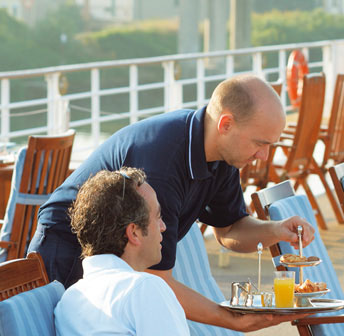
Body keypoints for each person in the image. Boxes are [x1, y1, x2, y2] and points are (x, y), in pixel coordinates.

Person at [29, 74, 313, 332]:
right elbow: (156, 276)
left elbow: (229, 230)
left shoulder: (224, 156)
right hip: (66, 247)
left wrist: (276, 230)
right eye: (260, 143)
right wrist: (231, 320)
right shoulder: (159, 168)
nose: (264, 156)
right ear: (226, 124)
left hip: (117, 264)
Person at [55, 168, 190, 335]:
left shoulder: (68, 301)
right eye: (158, 216)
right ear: (134, 232)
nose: (163, 227)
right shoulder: (144, 289)